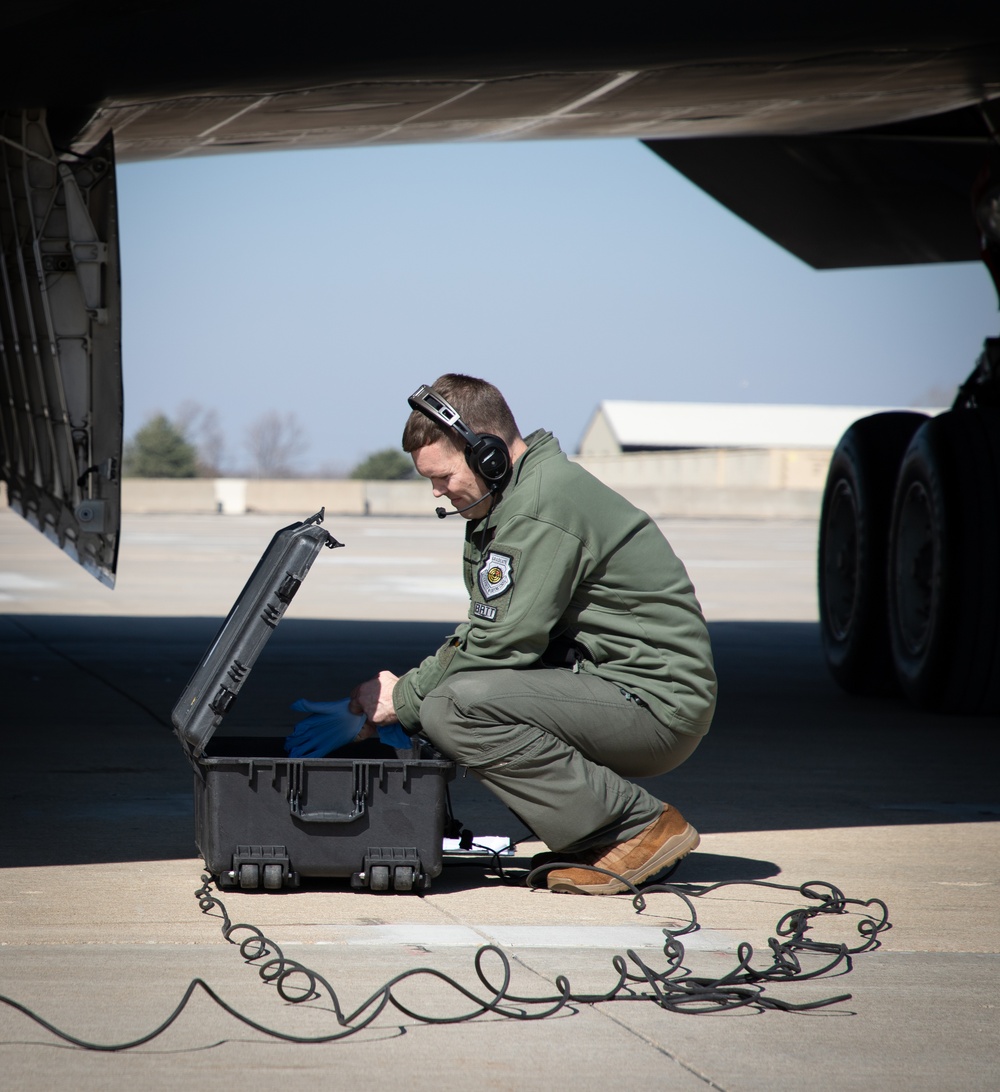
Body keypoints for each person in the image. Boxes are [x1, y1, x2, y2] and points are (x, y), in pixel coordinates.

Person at [350, 374, 717, 895]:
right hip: (624, 688)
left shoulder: (540, 505)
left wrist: (403, 696)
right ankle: (597, 839)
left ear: (489, 454)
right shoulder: (521, 495)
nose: (436, 491)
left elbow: (501, 642)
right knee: (454, 697)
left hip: (655, 704)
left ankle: (638, 828)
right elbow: (492, 628)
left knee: (453, 707)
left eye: (443, 475)